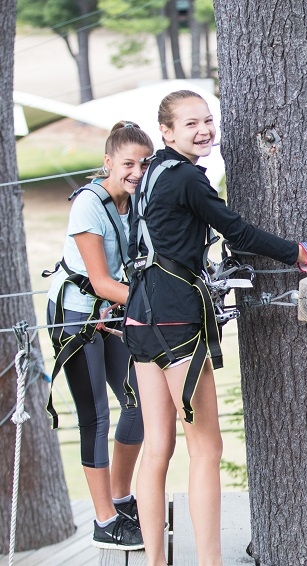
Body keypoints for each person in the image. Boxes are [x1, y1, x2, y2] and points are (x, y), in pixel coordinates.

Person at [123, 90, 307, 566]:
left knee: (158, 445)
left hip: (140, 314)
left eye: (208, 121)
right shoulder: (187, 179)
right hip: (177, 319)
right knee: (206, 446)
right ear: (167, 130)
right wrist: (301, 253)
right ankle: (210, 562)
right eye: (191, 124)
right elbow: (236, 231)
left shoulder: (151, 173)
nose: (204, 131)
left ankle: (155, 560)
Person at [45, 121, 154, 550]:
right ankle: (104, 522)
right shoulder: (89, 205)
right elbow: (101, 280)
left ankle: (121, 496)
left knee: (140, 402)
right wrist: (160, 306)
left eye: (144, 164)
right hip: (77, 317)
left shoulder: (137, 203)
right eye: (127, 163)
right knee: (95, 417)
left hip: (115, 314)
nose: (136, 172)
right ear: (108, 162)